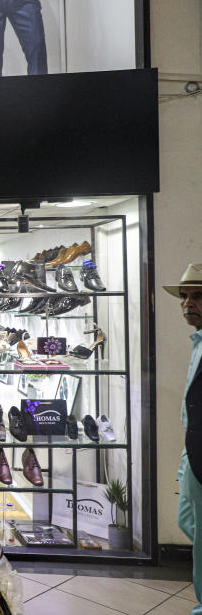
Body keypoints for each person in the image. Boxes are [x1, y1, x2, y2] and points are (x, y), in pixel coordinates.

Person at [167, 263, 202, 614]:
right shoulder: (198, 342)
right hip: (192, 451)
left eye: (198, 295)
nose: (187, 303)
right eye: (184, 296)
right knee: (187, 520)